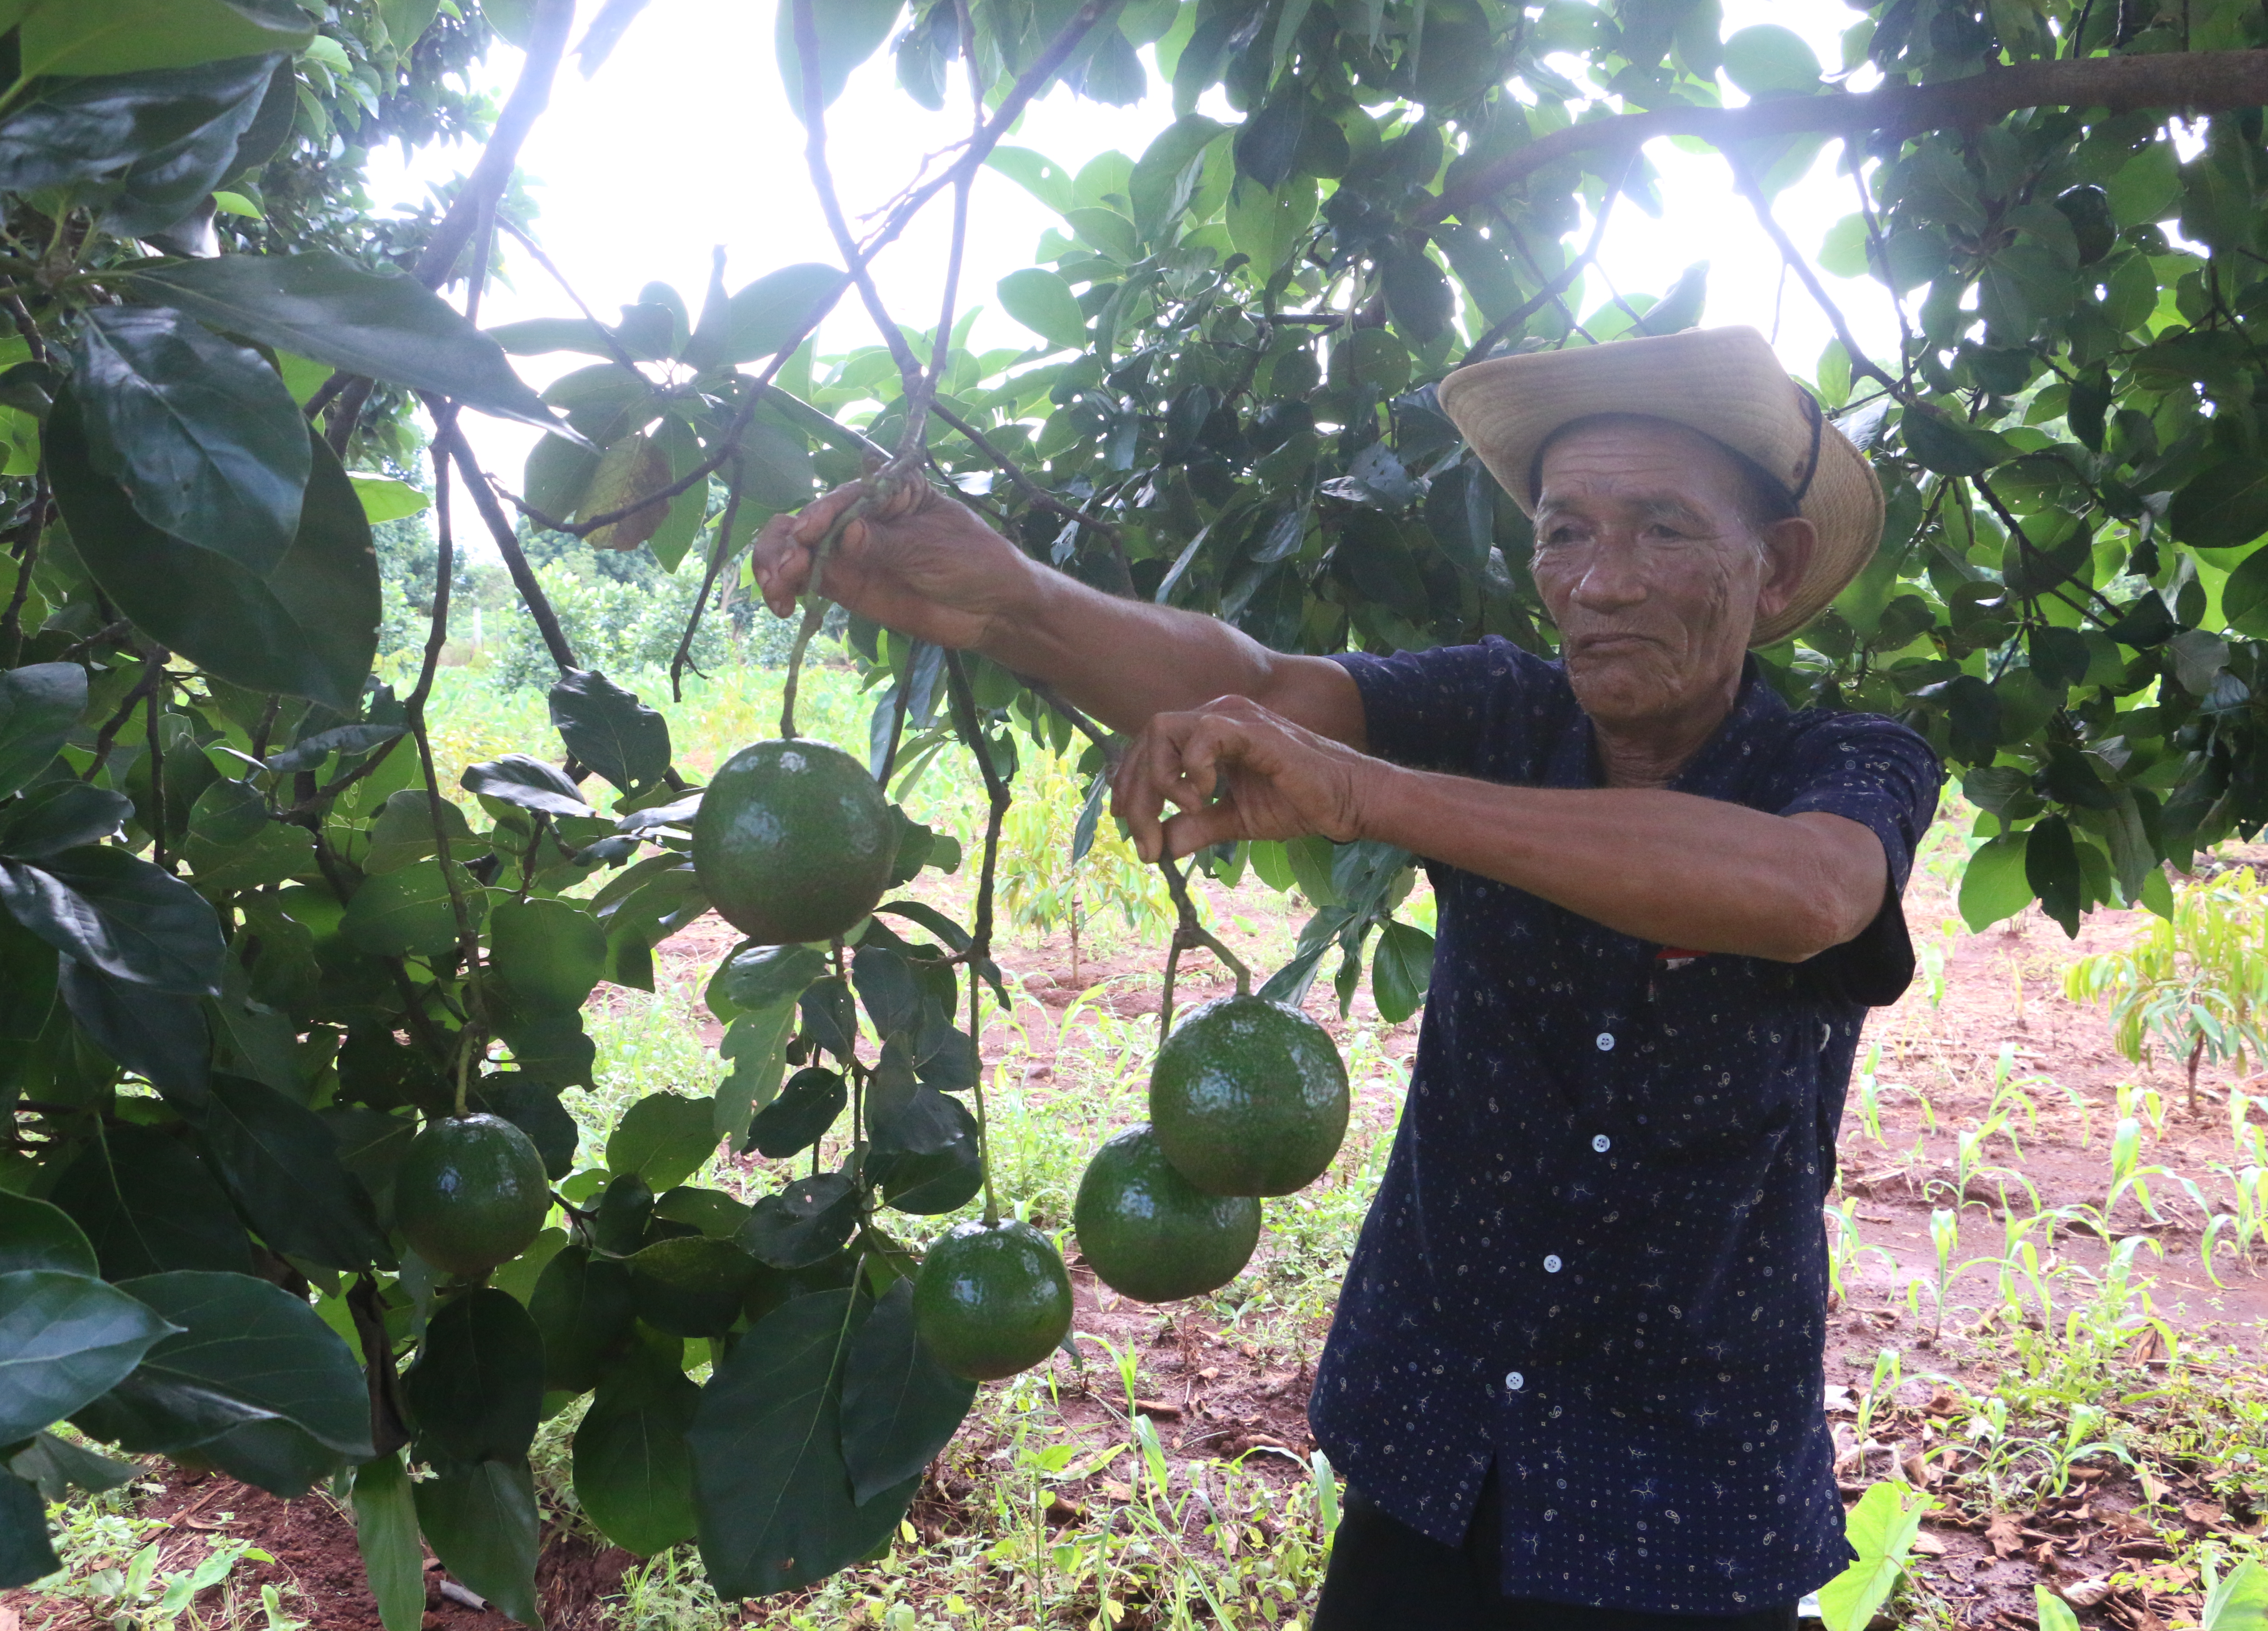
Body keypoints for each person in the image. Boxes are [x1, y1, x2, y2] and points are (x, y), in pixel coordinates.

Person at [752, 325, 1942, 1630]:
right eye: (1564, 532)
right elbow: (1257, 685)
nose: (1602, 581)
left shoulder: (1848, 760)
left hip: (1682, 1483)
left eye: (1662, 529)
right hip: (1432, 1436)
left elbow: (1806, 893)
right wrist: (1011, 602)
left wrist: (1374, 795)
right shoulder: (1498, 711)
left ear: (1774, 570)